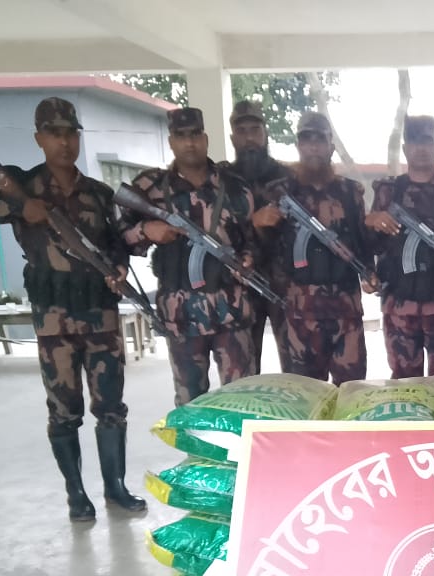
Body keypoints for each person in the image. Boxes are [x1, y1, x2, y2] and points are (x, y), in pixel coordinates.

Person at [0, 97, 145, 521]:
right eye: (55, 134)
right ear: (39, 138)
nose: (65, 142)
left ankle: (115, 488)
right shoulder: (23, 185)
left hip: (101, 316)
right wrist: (20, 207)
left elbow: (116, 244)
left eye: (71, 133)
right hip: (54, 320)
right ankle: (76, 494)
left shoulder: (99, 194)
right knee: (64, 412)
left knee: (111, 408)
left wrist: (119, 268)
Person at [119, 107, 258, 406]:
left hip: (231, 311)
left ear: (205, 139)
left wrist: (248, 258)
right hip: (181, 316)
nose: (189, 142)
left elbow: (252, 239)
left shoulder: (235, 187)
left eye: (195, 135)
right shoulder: (150, 188)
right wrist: (146, 230)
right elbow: (119, 238)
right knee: (190, 404)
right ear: (171, 142)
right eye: (181, 136)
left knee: (243, 400)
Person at [266, 111, 376, 385]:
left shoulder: (350, 192)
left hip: (346, 313)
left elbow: (361, 239)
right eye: (307, 140)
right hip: (300, 314)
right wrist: (258, 224)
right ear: (298, 145)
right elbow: (266, 244)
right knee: (305, 395)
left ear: (331, 147)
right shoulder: (280, 191)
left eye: (320, 139)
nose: (314, 146)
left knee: (351, 392)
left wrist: (369, 271)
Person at [365, 115, 434, 384]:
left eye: (427, 141)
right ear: (405, 148)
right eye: (414, 141)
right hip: (399, 304)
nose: (421, 148)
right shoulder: (388, 191)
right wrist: (371, 221)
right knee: (404, 384)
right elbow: (371, 241)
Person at [223, 99, 294, 373]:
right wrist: (251, 223)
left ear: (265, 134)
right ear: (233, 138)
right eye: (242, 131)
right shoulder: (221, 180)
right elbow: (215, 229)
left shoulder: (287, 177)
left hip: (284, 283)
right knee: (245, 372)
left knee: (295, 369)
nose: (249, 138)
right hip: (240, 284)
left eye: (255, 130)